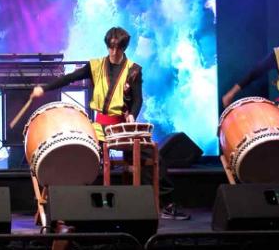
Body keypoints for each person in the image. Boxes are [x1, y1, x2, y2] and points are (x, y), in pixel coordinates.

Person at [29, 27, 188, 219]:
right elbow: (69, 78)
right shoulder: (95, 66)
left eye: (118, 48)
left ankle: (164, 204)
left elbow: (137, 99)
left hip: (121, 126)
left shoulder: (134, 70)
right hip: (98, 126)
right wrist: (44, 88)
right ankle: (74, 204)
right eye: (111, 48)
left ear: (124, 48)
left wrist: (132, 116)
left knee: (152, 155)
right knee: (82, 154)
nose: (114, 52)